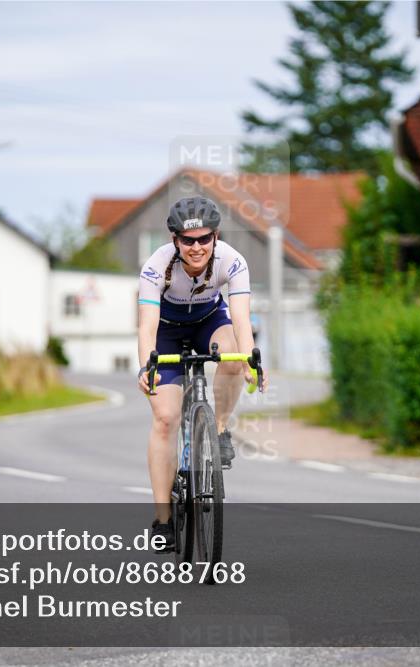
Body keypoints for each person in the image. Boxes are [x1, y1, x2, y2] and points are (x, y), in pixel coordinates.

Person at [136, 195, 267, 550]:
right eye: (188, 240)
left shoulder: (233, 261)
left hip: (209, 321)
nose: (197, 248)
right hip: (165, 330)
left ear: (216, 236)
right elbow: (146, 325)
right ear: (175, 240)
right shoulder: (156, 266)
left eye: (204, 239)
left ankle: (220, 428)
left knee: (234, 358)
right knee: (165, 419)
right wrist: (146, 365)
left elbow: (241, 319)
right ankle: (163, 519)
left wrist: (253, 361)